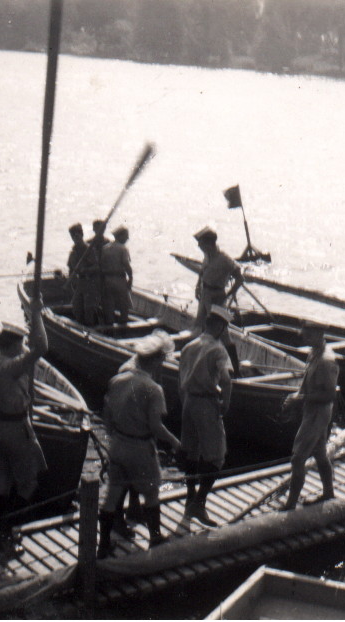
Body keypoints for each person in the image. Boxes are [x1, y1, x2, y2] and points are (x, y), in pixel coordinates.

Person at [97, 330, 181, 559]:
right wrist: (174, 441)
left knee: (112, 495)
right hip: (140, 448)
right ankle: (155, 537)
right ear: (155, 360)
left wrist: (113, 437)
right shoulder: (153, 389)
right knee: (152, 492)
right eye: (162, 359)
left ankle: (103, 545)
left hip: (118, 444)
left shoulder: (118, 379)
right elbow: (155, 426)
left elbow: (107, 415)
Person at [0, 309, 49, 558]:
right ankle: (7, 535)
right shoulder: (9, 367)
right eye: (20, 345)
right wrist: (37, 312)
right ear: (11, 346)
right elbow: (42, 348)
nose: (23, 349)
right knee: (28, 484)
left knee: (4, 482)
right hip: (15, 430)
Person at [178, 305, 233, 527]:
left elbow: (180, 379)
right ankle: (198, 503)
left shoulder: (189, 346)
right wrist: (225, 403)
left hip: (189, 400)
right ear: (220, 327)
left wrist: (185, 402)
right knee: (217, 455)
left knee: (191, 452)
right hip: (206, 402)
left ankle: (190, 497)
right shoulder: (218, 349)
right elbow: (227, 381)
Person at [282, 320, 339, 510]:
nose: (303, 337)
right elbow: (307, 383)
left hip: (318, 413)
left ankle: (290, 504)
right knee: (321, 453)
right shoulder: (314, 352)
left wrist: (299, 399)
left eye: (307, 334)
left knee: (298, 458)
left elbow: (330, 394)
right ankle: (328, 492)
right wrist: (297, 397)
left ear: (318, 334)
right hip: (312, 410)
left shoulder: (326, 360)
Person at [192, 226, 243, 374]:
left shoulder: (225, 259)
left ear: (209, 243)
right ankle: (201, 361)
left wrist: (229, 295)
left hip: (217, 297)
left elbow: (240, 278)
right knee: (200, 327)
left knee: (223, 333)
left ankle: (236, 370)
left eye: (201, 243)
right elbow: (202, 272)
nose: (199, 246)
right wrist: (197, 287)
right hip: (205, 294)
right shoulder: (207, 255)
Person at [66, 223, 101, 325]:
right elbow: (71, 269)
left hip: (91, 283)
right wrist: (71, 282)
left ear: (81, 235)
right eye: (73, 236)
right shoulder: (73, 252)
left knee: (89, 310)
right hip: (80, 284)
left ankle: (91, 331)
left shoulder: (89, 250)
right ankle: (81, 328)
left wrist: (85, 270)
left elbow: (97, 267)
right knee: (76, 307)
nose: (75, 238)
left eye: (77, 235)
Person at [100, 225, 133, 325]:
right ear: (120, 236)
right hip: (119, 280)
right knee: (124, 305)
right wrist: (131, 278)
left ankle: (109, 328)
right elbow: (126, 264)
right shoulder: (123, 249)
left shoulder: (105, 248)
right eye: (126, 236)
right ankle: (123, 326)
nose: (127, 238)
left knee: (108, 305)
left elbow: (101, 265)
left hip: (107, 280)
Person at [86, 219, 111, 326]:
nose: (100, 230)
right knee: (92, 300)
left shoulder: (108, 243)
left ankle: (108, 322)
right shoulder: (88, 243)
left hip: (105, 276)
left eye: (102, 228)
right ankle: (91, 323)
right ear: (94, 229)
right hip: (93, 276)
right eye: (97, 228)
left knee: (106, 300)